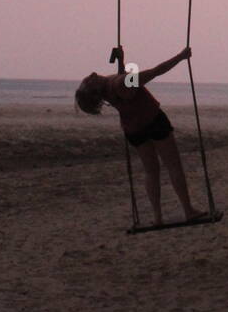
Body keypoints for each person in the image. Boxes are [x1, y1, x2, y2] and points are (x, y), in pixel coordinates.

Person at [75, 47, 209, 226]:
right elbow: (155, 72)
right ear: (96, 91)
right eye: (89, 81)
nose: (91, 74)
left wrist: (122, 61)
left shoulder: (110, 89)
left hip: (133, 130)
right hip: (153, 121)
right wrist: (181, 57)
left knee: (151, 172)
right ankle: (188, 210)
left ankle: (158, 217)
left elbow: (124, 87)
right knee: (173, 165)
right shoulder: (120, 84)